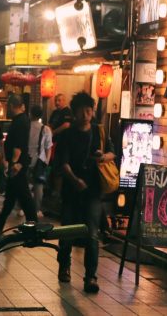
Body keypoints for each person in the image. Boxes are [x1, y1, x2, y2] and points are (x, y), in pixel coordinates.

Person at [53, 91, 113, 293]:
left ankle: (91, 277)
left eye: (89, 110)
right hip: (71, 189)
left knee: (92, 233)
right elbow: (63, 163)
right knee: (68, 230)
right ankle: (64, 266)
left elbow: (113, 153)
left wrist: (103, 157)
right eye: (82, 111)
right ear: (75, 112)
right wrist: (75, 180)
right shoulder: (67, 134)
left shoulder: (99, 132)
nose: (86, 114)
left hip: (94, 190)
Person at [0, 94, 37, 230]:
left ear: (12, 106)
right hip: (19, 164)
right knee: (11, 196)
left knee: (24, 195)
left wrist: (14, 164)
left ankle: (34, 224)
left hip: (17, 165)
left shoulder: (20, 121)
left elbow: (18, 145)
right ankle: (0, 222)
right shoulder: (22, 119)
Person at [27, 104, 53, 217]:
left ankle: (24, 208)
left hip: (26, 159)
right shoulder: (46, 129)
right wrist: (46, 161)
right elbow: (48, 147)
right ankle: (36, 210)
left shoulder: (26, 126)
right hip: (40, 161)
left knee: (26, 186)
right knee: (38, 187)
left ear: (30, 114)